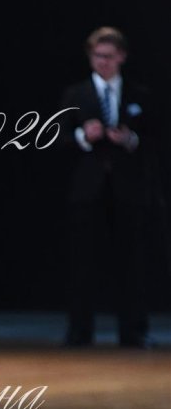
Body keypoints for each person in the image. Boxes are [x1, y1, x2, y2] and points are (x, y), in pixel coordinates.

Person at [61, 26, 155, 348]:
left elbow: (155, 139)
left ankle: (133, 330)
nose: (103, 62)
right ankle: (79, 330)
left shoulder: (139, 94)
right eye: (98, 56)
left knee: (131, 262)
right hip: (87, 190)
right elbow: (55, 139)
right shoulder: (76, 95)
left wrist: (130, 139)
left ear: (121, 57)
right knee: (82, 262)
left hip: (128, 189)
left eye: (109, 56)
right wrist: (82, 136)